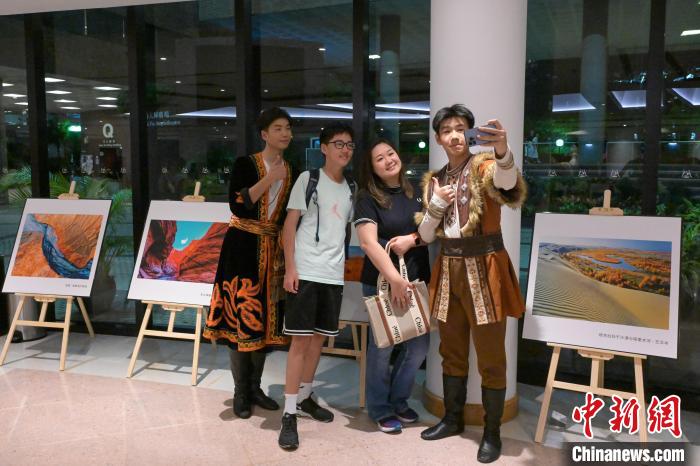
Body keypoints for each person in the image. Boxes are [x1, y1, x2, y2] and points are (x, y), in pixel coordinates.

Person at [417, 104, 526, 464]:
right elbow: (425, 235)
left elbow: (507, 184)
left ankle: (492, 432)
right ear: (438, 138)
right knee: (451, 350)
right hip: (448, 267)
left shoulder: (483, 166)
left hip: (485, 265)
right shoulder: (435, 179)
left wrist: (503, 151)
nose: (454, 135)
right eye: (446, 130)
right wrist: (435, 205)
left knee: (492, 354)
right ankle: (452, 419)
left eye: (460, 128)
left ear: (469, 133)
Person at [203, 107, 297, 419]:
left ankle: (255, 387)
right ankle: (240, 391)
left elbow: (289, 216)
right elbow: (238, 205)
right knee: (241, 317)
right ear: (264, 134)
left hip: (273, 251)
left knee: (266, 323)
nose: (285, 133)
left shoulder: (292, 170)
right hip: (242, 249)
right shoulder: (246, 164)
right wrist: (270, 178)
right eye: (278, 128)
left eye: (288, 128)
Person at [278, 123, 356, 450]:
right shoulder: (308, 179)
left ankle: (306, 396)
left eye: (349, 145)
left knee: (318, 341)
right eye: (338, 144)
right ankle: (288, 412)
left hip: (332, 276)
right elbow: (289, 226)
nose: (345, 149)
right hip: (306, 272)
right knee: (299, 342)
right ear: (324, 148)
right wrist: (291, 268)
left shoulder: (351, 188)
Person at [353, 138, 431, 433]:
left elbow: (430, 230)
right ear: (372, 168)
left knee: (419, 347)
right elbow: (368, 243)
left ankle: (398, 400)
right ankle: (379, 408)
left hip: (417, 281)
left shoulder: (417, 192)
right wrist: (395, 280)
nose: (388, 160)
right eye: (379, 158)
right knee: (383, 346)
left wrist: (413, 239)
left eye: (391, 153)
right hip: (382, 283)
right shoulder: (367, 197)